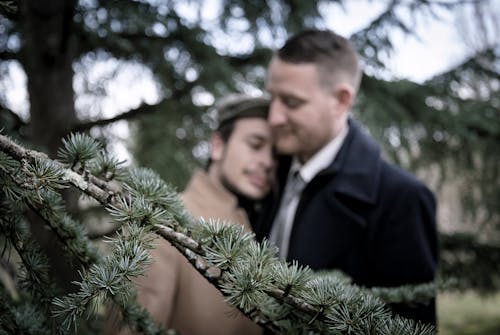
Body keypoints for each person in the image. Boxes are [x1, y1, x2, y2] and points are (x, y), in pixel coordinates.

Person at [252, 29, 439, 324]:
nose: (273, 117)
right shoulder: (263, 170)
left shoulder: (401, 199)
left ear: (341, 100)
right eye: (271, 97)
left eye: (291, 102)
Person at [108, 94, 274, 335]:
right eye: (255, 145)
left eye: (275, 155)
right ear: (217, 146)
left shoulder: (255, 228)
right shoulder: (162, 221)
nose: (268, 162)